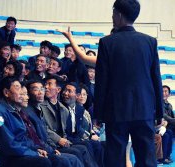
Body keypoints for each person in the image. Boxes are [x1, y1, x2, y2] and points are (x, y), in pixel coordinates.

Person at [61, 0, 163, 166]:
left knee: (115, 158)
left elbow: (102, 81)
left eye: (113, 12)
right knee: (146, 158)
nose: (112, 16)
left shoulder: (107, 42)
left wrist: (99, 114)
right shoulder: (150, 42)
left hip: (116, 111)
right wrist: (158, 111)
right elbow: (155, 78)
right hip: (144, 110)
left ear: (119, 14)